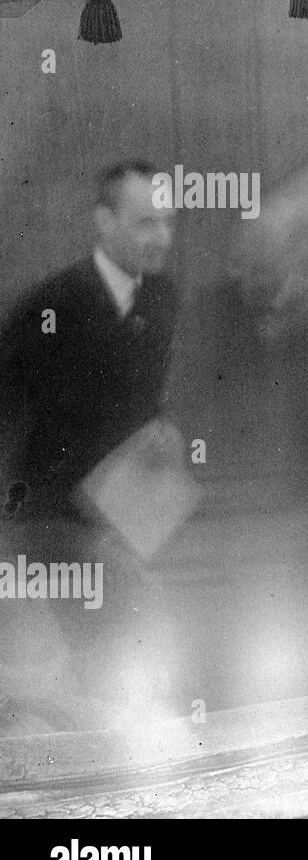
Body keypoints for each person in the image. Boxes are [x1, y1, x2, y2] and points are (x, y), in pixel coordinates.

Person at [0, 159, 180, 713]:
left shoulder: (163, 300)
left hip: (134, 526)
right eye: (146, 222)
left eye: (168, 223)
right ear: (104, 222)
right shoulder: (51, 306)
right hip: (56, 531)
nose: (161, 238)